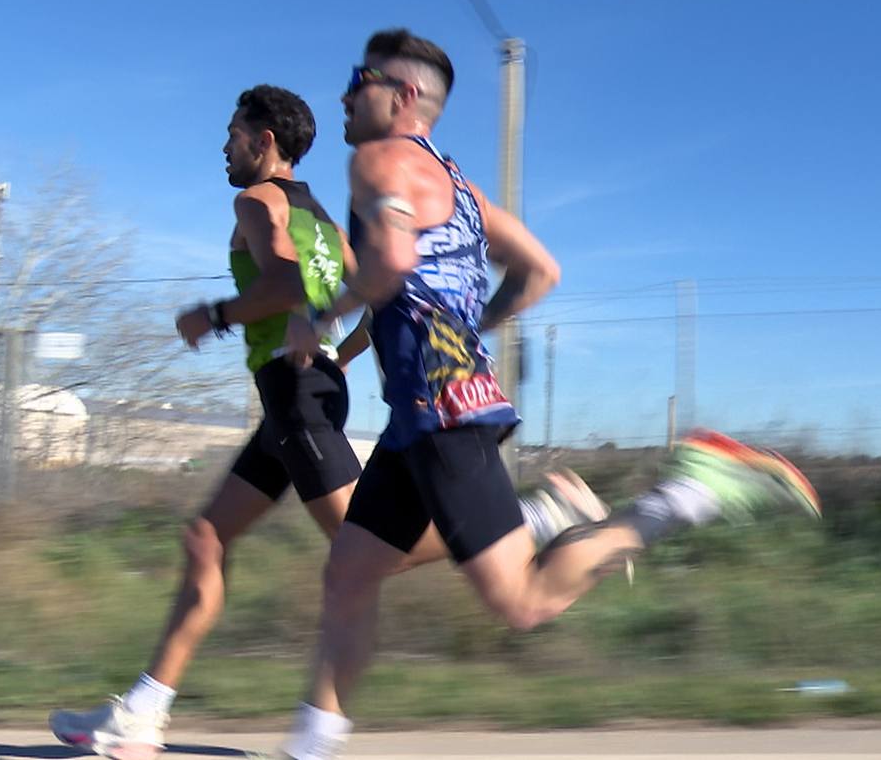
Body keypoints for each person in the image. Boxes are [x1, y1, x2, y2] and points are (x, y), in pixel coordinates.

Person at [272, 31, 821, 760]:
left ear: (403, 97)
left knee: (523, 603)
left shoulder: (379, 159)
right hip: (426, 416)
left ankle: (690, 492)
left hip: (442, 413)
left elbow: (394, 260)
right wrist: (471, 325)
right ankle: (310, 746)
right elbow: (541, 270)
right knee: (348, 570)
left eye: (357, 80)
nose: (342, 95)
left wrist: (318, 322)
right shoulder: (464, 194)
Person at [50, 84, 610, 760]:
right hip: (304, 394)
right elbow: (380, 296)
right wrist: (339, 360)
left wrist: (216, 315)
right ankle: (142, 709)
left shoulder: (255, 202)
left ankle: (533, 519)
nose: (224, 146)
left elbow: (285, 285)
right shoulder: (322, 216)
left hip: (295, 400)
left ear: (263, 142)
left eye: (232, 133)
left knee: (361, 554)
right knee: (205, 537)